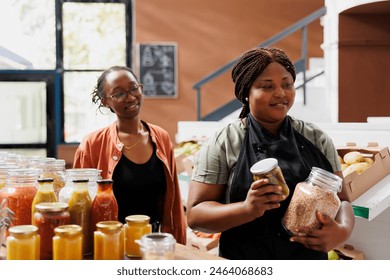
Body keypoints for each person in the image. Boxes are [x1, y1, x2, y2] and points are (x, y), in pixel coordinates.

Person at [186, 47, 355, 259]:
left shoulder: (316, 139)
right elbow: (195, 215)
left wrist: (343, 230)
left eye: (287, 84)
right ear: (246, 93)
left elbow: (343, 200)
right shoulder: (225, 142)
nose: (281, 93)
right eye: (267, 86)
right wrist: (247, 209)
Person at [73, 66, 186, 244]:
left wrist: (178, 243)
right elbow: (79, 208)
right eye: (118, 94)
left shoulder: (161, 138)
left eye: (134, 88)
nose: (131, 97)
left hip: (153, 243)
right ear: (105, 102)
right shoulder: (91, 144)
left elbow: (174, 203)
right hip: (109, 245)